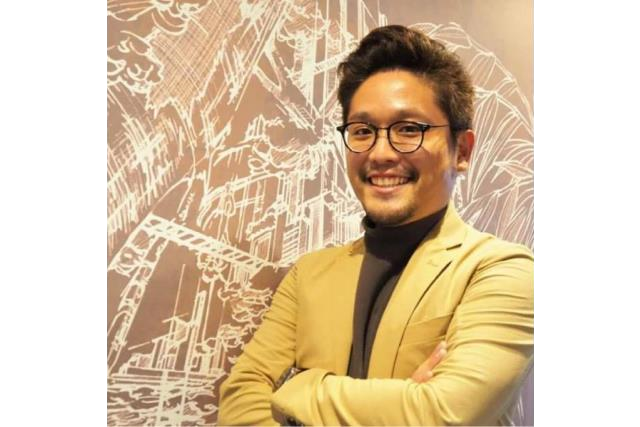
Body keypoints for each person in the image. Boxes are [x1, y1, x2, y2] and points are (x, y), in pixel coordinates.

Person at [218, 24, 533, 426]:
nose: (380, 153)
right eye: (363, 131)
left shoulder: (502, 270)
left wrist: (299, 388)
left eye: (409, 129)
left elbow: (442, 414)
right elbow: (240, 401)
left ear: (462, 151)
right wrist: (402, 403)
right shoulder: (308, 275)